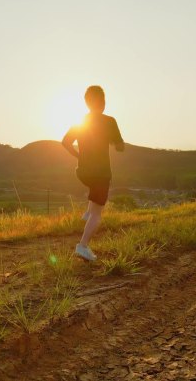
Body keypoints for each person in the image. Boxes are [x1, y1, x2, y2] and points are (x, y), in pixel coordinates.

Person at [62, 85, 124, 261]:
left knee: (93, 192)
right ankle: (82, 246)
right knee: (98, 213)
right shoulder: (110, 121)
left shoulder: (80, 121)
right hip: (101, 174)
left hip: (82, 172)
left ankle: (87, 214)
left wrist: (78, 155)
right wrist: (118, 145)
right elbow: (119, 146)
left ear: (87, 102)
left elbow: (65, 142)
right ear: (103, 102)